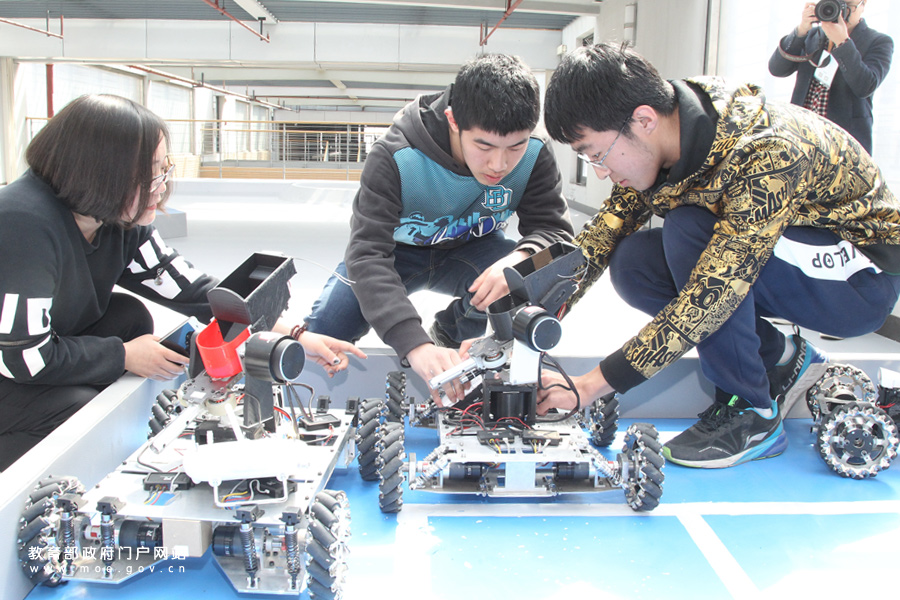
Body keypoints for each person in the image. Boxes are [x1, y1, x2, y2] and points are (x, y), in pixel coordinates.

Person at [537, 43, 900, 468]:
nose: (601, 171)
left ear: (644, 120)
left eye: (597, 154)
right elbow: (600, 238)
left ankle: (753, 413)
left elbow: (714, 292)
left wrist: (591, 384)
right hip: (789, 260)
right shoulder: (668, 134)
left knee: (689, 229)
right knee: (635, 263)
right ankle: (779, 359)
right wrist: (529, 314)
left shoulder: (767, 151)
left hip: (859, 282)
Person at [0, 94, 365, 471]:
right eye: (151, 174)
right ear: (102, 172)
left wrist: (295, 334)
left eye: (164, 169)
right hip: (10, 369)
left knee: (130, 317)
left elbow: (192, 289)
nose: (162, 186)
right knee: (78, 412)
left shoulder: (114, 219)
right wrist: (123, 356)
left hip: (43, 350)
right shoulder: (23, 226)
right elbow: (24, 357)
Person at [304, 54, 574, 401]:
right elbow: (367, 254)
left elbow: (556, 234)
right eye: (484, 146)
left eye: (515, 147)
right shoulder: (396, 155)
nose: (499, 164)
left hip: (475, 249)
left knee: (535, 279)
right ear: (453, 120)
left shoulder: (536, 154)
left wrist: (521, 260)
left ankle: (453, 327)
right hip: (395, 255)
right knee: (324, 334)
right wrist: (414, 344)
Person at [768, 0, 893, 154]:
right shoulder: (812, 35)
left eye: (848, 6)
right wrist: (801, 31)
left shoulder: (879, 41)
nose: (841, 11)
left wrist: (843, 42)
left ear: (863, 5)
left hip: (843, 146)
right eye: (837, 3)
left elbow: (865, 86)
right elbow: (776, 69)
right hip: (801, 139)